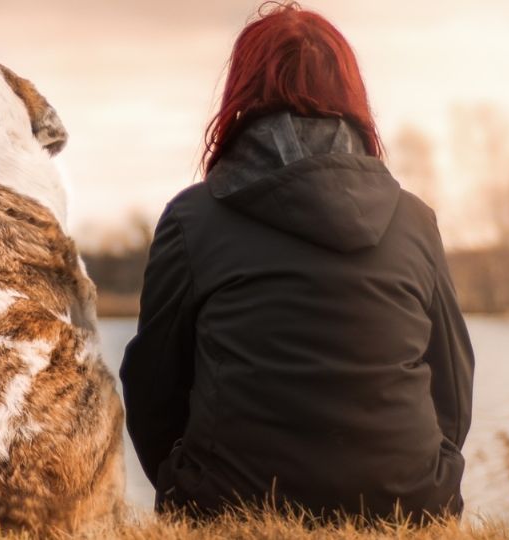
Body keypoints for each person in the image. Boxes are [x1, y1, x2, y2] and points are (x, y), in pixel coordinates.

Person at [119, 2, 474, 521]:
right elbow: (454, 383)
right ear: (351, 95)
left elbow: (152, 385)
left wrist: (184, 484)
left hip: (228, 505)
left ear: (242, 93)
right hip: (408, 506)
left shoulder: (192, 219)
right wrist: (427, 476)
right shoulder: (414, 220)